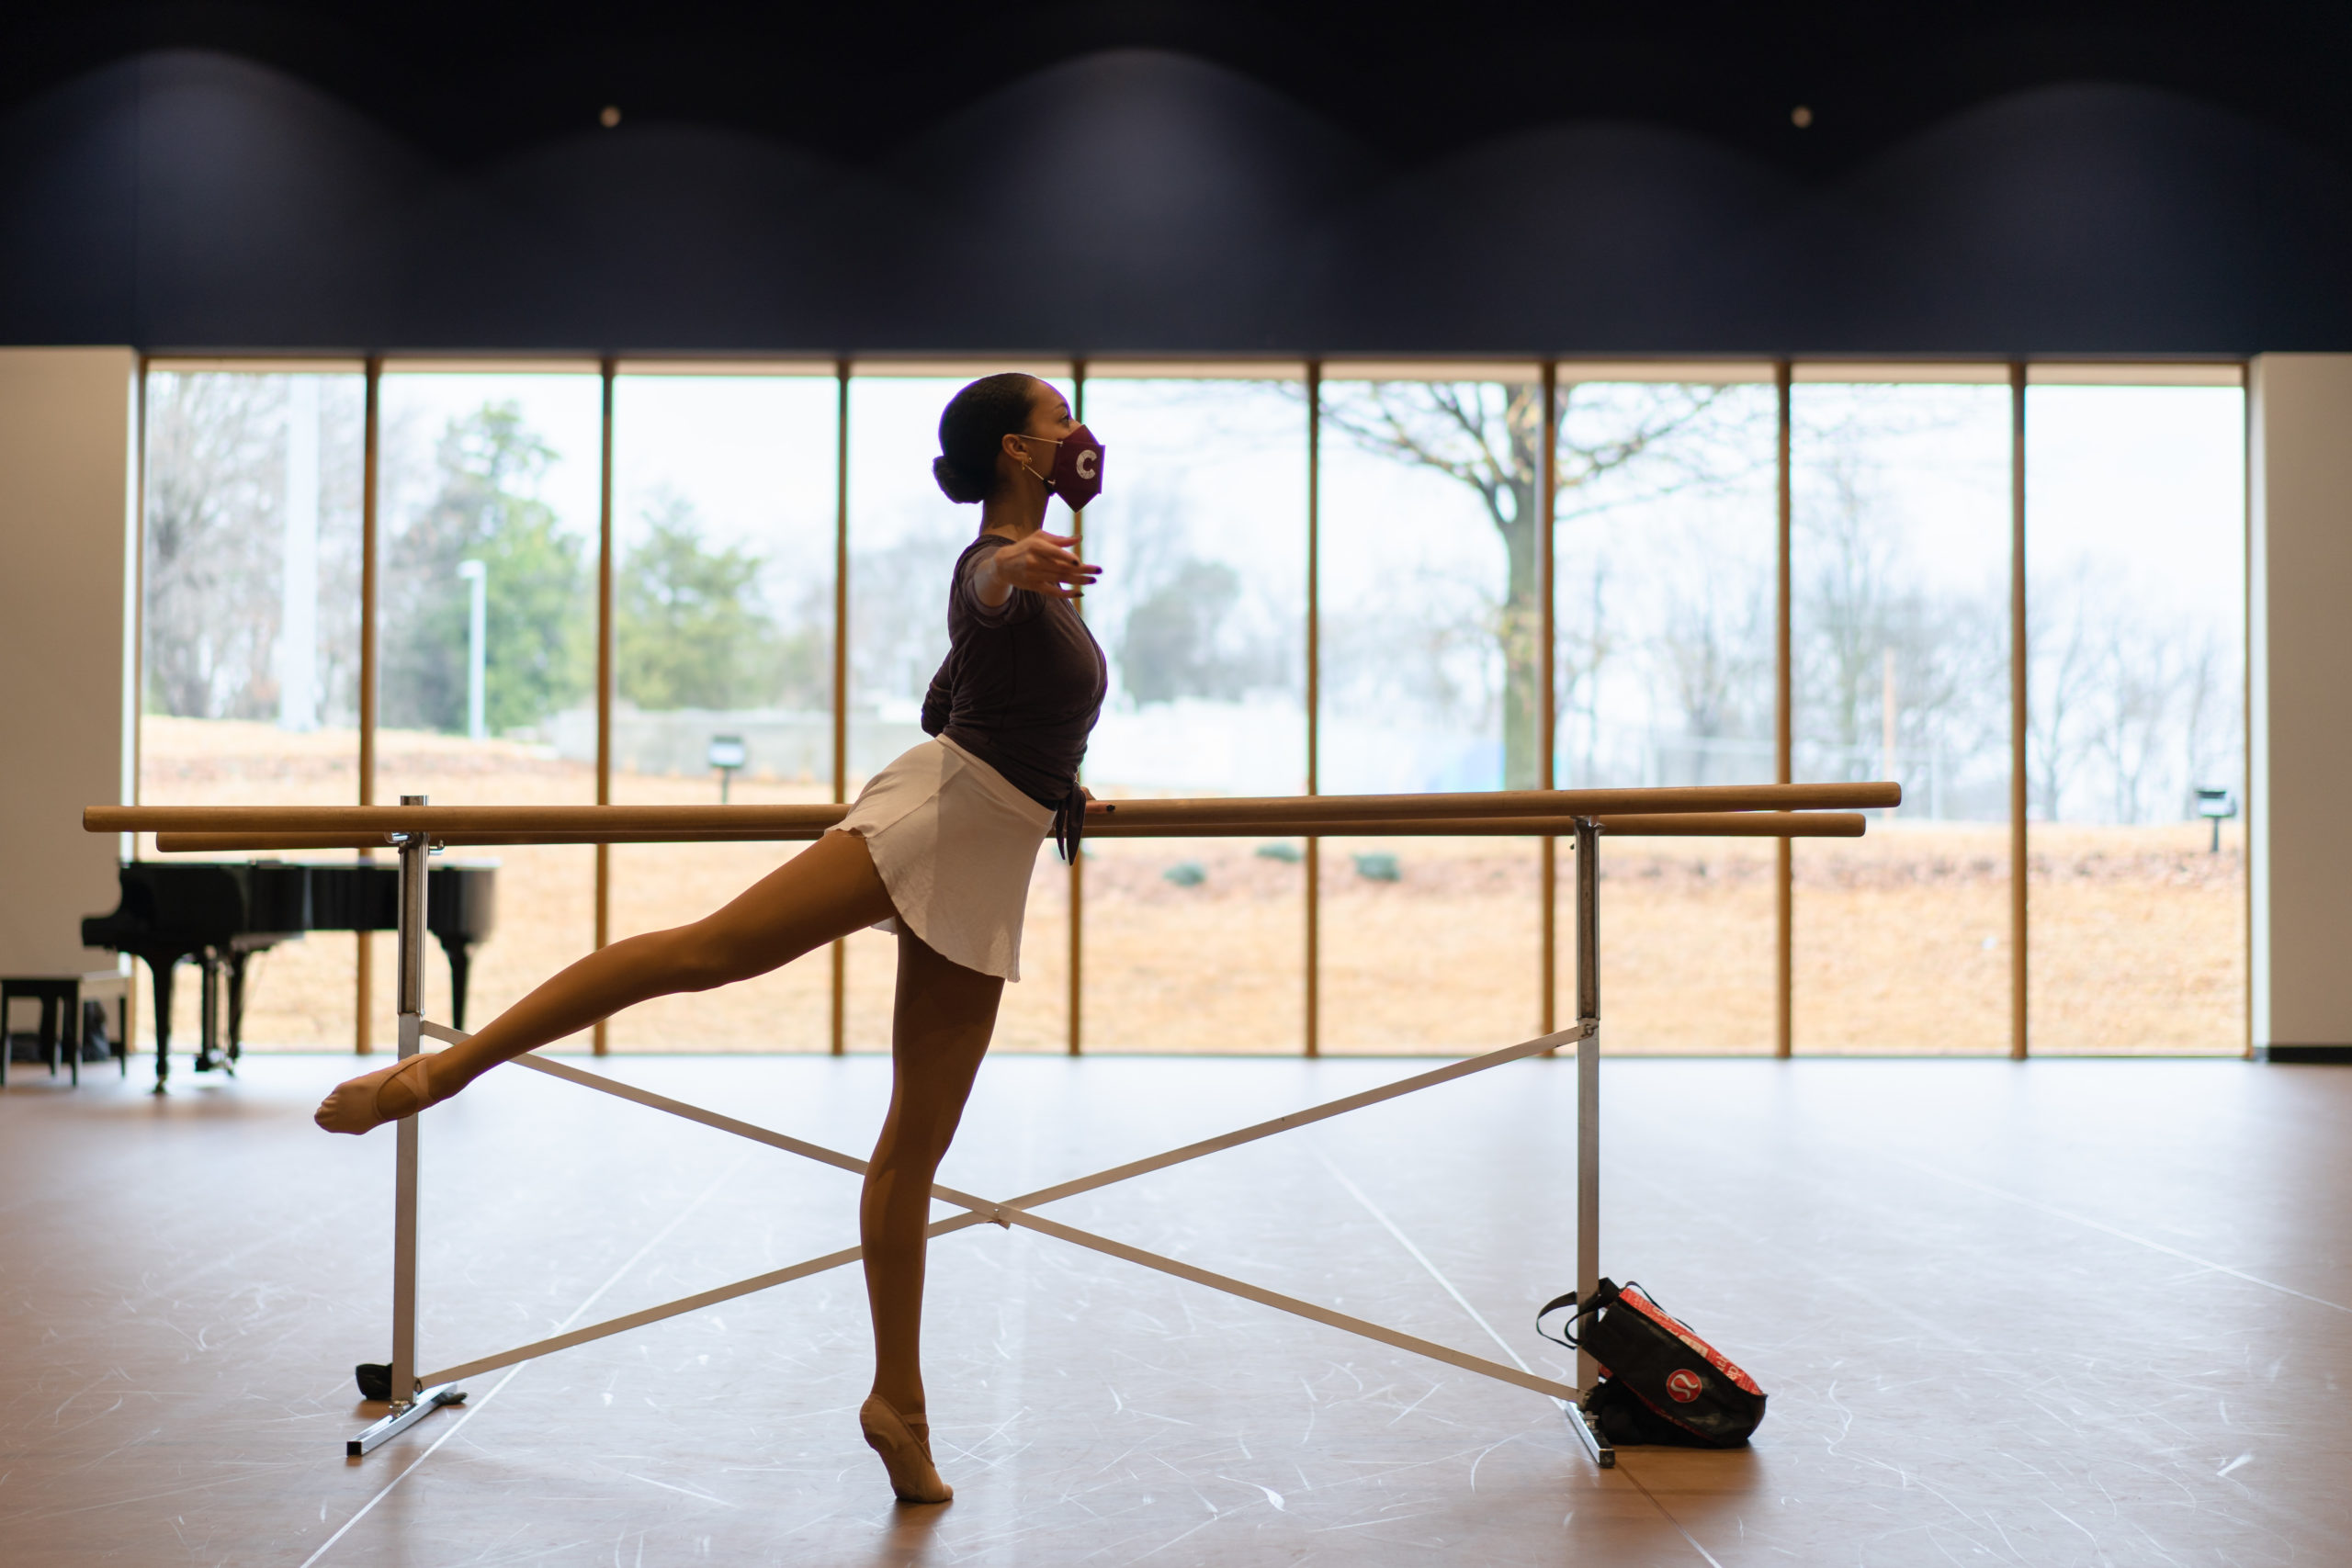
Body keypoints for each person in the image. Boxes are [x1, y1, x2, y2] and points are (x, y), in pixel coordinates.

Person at [313, 372, 1106, 1505]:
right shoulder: (999, 562)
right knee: (703, 954)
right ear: (1018, 458)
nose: (1077, 435)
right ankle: (441, 1071)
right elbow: (979, 593)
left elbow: (955, 700)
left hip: (994, 845)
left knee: (913, 1149)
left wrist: (1061, 781)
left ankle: (899, 1405)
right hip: (937, 824)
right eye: (1056, 420)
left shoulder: (1052, 579)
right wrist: (1002, 574)